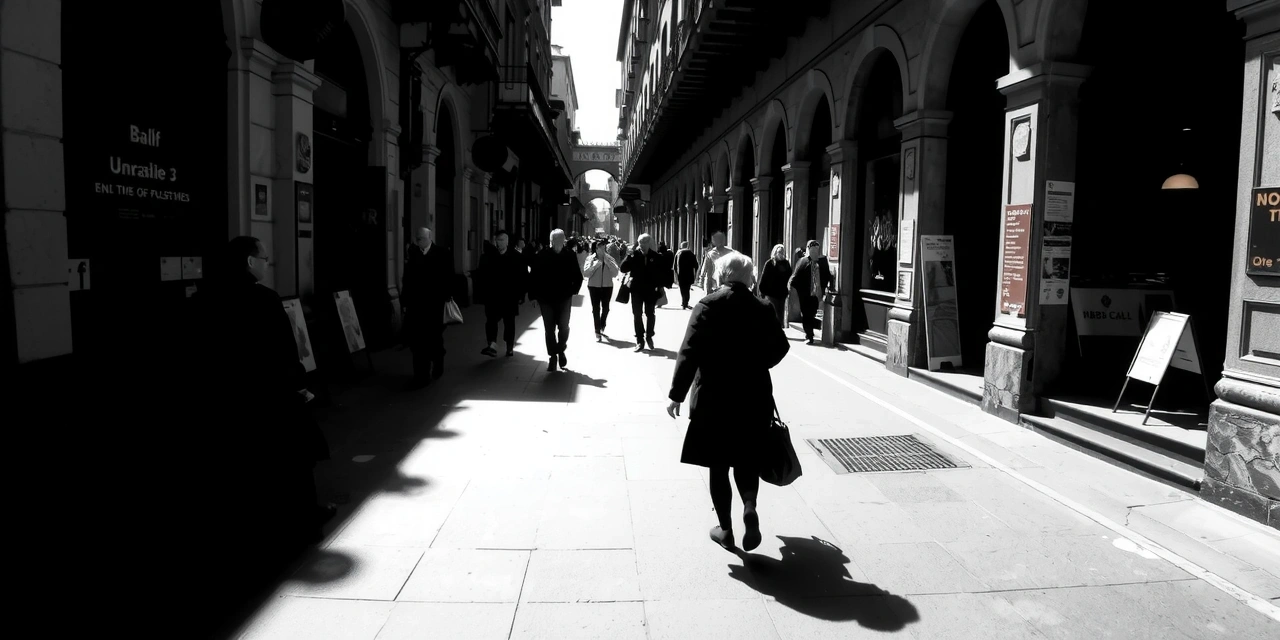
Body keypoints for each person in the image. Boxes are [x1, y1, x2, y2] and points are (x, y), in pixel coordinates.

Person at [196, 236, 333, 546]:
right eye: (265, 260)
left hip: (224, 397)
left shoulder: (203, 298)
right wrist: (298, 385)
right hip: (268, 396)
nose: (267, 265)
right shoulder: (264, 300)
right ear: (249, 262)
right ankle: (304, 517)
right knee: (293, 457)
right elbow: (284, 351)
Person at [666, 252, 789, 552]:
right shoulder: (763, 308)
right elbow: (780, 348)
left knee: (718, 464)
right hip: (753, 396)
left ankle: (726, 529)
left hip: (713, 397)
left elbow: (689, 351)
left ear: (721, 275)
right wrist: (757, 364)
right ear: (750, 278)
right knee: (746, 458)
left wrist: (676, 394)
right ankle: (749, 506)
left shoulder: (708, 305)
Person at [402, 227, 455, 387]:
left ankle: (438, 359)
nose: (418, 241)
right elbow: (407, 279)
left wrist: (447, 296)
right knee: (417, 341)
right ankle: (421, 375)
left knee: (434, 338)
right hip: (416, 306)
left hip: (435, 305)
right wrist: (405, 302)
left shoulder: (442, 253)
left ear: (429, 238)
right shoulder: (413, 253)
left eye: (421, 239)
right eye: (417, 238)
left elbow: (449, 276)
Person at [529, 229, 583, 371]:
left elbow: (578, 276)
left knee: (564, 327)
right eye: (555, 241)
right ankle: (553, 356)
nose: (558, 243)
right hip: (545, 298)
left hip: (564, 297)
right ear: (551, 241)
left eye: (561, 240)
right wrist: (533, 296)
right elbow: (533, 277)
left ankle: (561, 349)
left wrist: (573, 292)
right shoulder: (541, 256)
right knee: (549, 329)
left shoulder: (570, 255)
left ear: (564, 240)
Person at [477, 230, 526, 357]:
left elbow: (522, 277)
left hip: (510, 297)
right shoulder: (488, 256)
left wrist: (521, 295)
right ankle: (491, 344)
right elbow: (481, 275)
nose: (499, 243)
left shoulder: (516, 257)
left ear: (508, 241)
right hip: (493, 296)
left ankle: (509, 346)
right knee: (491, 321)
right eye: (497, 240)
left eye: (502, 240)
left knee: (509, 323)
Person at [620, 233, 666, 353]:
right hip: (636, 290)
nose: (642, 245)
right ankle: (640, 339)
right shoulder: (634, 255)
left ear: (649, 243)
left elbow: (661, 273)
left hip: (650, 290)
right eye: (640, 243)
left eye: (644, 242)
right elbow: (623, 269)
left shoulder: (656, 256)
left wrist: (659, 287)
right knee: (637, 314)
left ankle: (649, 336)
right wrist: (628, 256)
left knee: (650, 313)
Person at [788, 239, 834, 345]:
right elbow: (795, 277)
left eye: (816, 249)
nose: (814, 252)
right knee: (806, 314)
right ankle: (810, 335)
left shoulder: (822, 262)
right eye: (812, 249)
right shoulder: (803, 261)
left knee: (812, 314)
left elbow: (827, 275)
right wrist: (798, 291)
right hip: (805, 294)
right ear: (808, 250)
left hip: (816, 294)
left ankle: (809, 332)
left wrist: (826, 287)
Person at [583, 239, 621, 340]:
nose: (602, 249)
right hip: (593, 287)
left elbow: (615, 273)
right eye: (600, 247)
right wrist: (595, 266)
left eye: (604, 247)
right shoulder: (590, 259)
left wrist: (607, 263)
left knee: (606, 308)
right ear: (596, 248)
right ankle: (597, 331)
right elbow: (586, 273)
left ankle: (602, 323)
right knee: (595, 309)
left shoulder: (610, 258)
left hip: (607, 286)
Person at [758, 243, 792, 327]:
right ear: (775, 252)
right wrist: (761, 291)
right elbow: (764, 277)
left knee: (780, 313)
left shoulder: (786, 264)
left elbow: (790, 276)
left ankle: (779, 330)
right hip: (771, 293)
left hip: (782, 294)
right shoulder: (769, 263)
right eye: (779, 252)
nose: (781, 254)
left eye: (782, 252)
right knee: (773, 312)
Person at [673, 241, 699, 310]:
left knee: (682, 289)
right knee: (687, 289)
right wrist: (695, 273)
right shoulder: (691, 254)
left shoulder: (678, 253)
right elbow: (696, 265)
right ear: (688, 246)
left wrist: (675, 275)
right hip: (689, 275)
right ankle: (685, 302)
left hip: (680, 275)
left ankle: (683, 302)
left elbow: (674, 266)